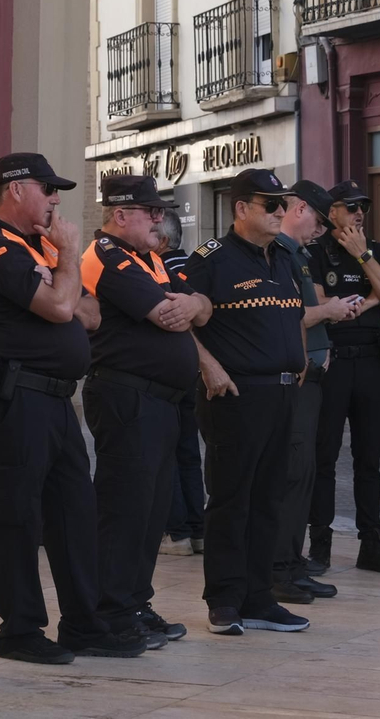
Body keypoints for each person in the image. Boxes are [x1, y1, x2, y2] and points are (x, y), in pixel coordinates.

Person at [0, 153, 145, 663]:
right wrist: (65, 264)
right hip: (15, 394)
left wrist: (61, 283)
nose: (56, 200)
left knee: (74, 514)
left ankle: (83, 624)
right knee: (18, 515)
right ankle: (20, 631)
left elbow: (89, 311)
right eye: (48, 189)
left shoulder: (39, 244)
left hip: (56, 396)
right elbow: (65, 308)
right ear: (17, 189)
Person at [81, 176, 211, 646]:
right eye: (151, 211)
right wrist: (188, 307)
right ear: (120, 215)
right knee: (124, 510)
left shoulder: (150, 256)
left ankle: (135, 601)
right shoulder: (107, 256)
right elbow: (164, 313)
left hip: (161, 400)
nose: (161, 219)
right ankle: (110, 612)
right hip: (126, 396)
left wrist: (196, 301)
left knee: (153, 511)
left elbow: (202, 307)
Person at [182, 167, 312, 636]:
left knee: (269, 499)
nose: (281, 212)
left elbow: (293, 315)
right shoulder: (210, 259)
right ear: (241, 209)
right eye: (270, 205)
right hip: (235, 394)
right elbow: (183, 320)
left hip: (281, 392)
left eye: (283, 204)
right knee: (231, 499)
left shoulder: (283, 258)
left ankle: (259, 596)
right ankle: (224, 599)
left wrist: (298, 359)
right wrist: (207, 366)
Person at [304, 180, 380, 576]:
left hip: (371, 364)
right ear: (332, 213)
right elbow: (319, 302)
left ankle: (372, 545)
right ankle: (321, 545)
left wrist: (362, 257)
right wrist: (370, 296)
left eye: (362, 206)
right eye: (350, 207)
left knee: (370, 459)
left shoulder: (374, 250)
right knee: (324, 456)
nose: (359, 212)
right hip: (333, 363)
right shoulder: (315, 252)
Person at [269, 180, 352, 605]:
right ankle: (280, 569)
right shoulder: (280, 253)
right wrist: (330, 310)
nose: (320, 231)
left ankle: (292, 564)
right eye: (318, 221)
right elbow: (289, 316)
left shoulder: (298, 255)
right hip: (296, 379)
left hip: (312, 377)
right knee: (293, 473)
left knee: (304, 475)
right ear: (298, 208)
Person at [157, 212, 206, 557]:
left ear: (161, 240)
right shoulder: (198, 263)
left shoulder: (161, 271)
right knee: (188, 452)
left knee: (168, 453)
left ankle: (177, 533)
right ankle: (198, 529)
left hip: (172, 369)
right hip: (197, 372)